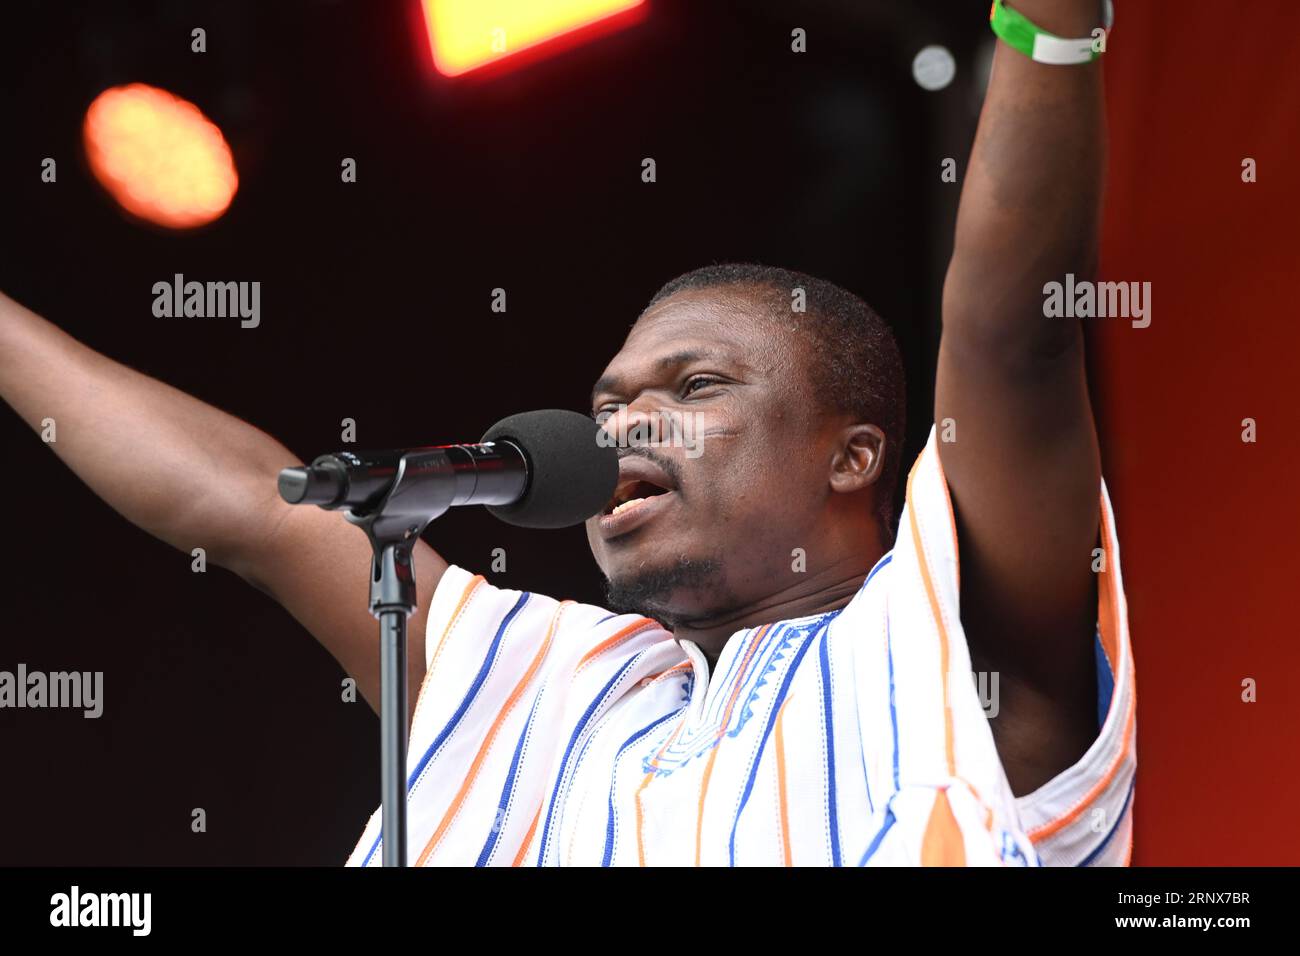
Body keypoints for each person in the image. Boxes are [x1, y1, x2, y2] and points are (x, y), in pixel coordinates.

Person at [0, 0, 1133, 866]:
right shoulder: (554, 683)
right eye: (606, 404)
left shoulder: (938, 639)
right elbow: (250, 501)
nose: (625, 421)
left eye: (693, 386)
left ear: (853, 454)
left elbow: (1010, 334)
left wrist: (1052, 30)